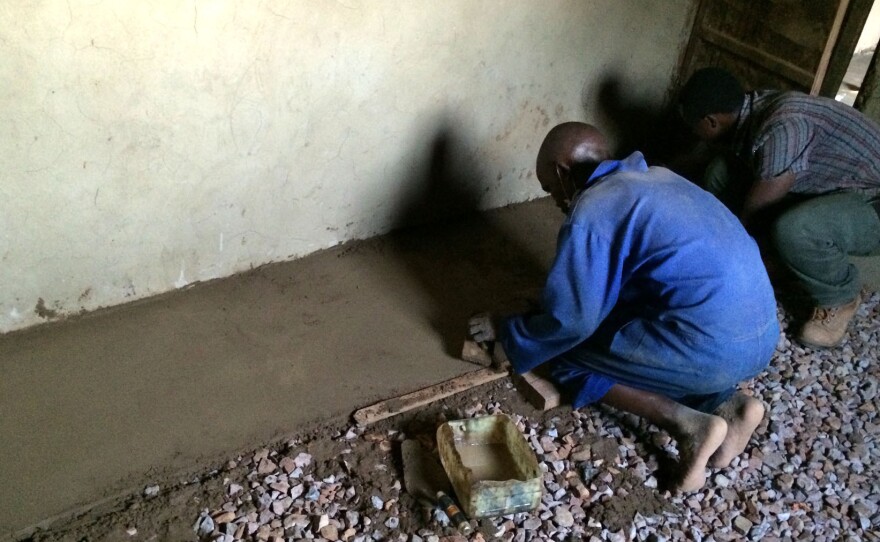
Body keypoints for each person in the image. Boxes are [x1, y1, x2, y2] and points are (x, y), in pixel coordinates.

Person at [469, 122, 779, 492]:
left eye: (550, 188)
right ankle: (733, 406)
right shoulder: (659, 177)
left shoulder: (594, 208)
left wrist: (510, 329)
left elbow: (572, 322)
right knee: (635, 333)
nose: (555, 199)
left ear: (561, 172)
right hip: (760, 335)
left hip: (712, 349)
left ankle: (689, 425)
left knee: (564, 355)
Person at [678, 67, 880, 348]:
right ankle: (784, 263)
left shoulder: (782, 125)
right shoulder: (754, 108)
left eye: (694, 128)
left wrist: (725, 264)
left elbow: (759, 208)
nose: (694, 135)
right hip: (840, 186)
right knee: (718, 173)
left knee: (795, 229)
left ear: (711, 122)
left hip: (873, 203)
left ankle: (841, 297)